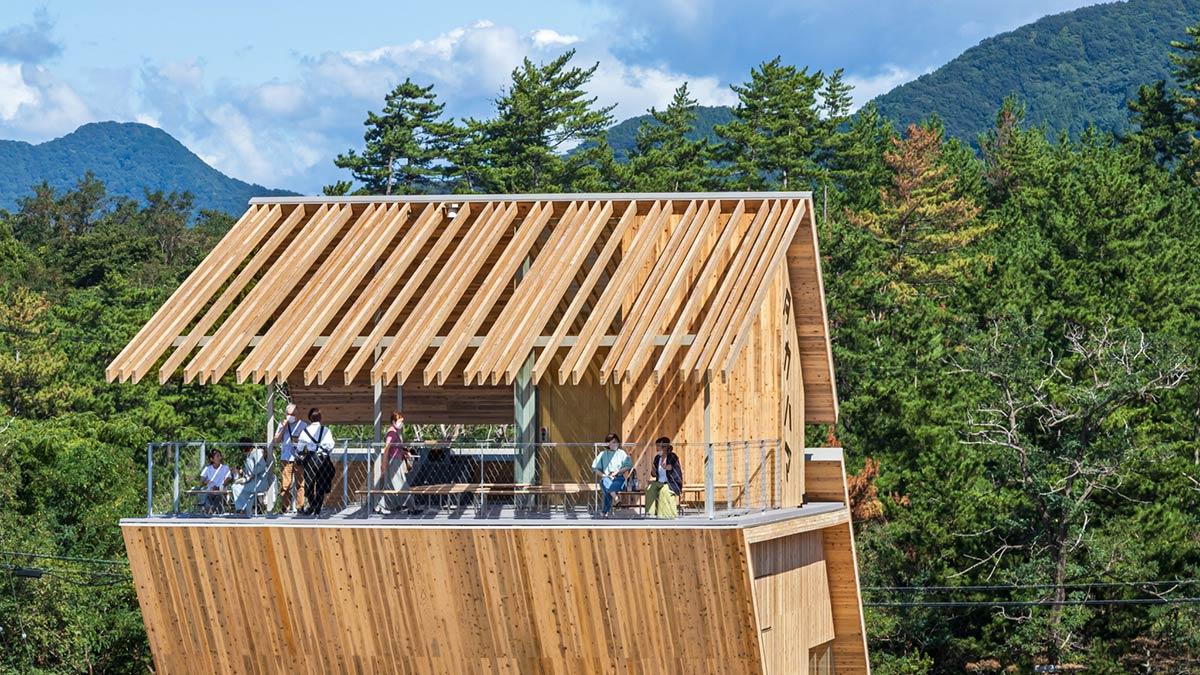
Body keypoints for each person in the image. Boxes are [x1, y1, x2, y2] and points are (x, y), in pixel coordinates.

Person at [298, 407, 336, 516]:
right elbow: (331, 445)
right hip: (322, 459)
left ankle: (312, 504)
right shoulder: (326, 430)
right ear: (320, 418)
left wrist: (301, 454)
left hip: (310, 458)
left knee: (309, 484)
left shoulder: (305, 431)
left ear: (309, 418)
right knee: (321, 483)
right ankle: (318, 508)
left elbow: (300, 448)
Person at [273, 404, 306, 513]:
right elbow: (276, 440)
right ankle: (284, 507)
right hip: (286, 458)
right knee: (285, 484)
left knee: (300, 483)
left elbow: (307, 442)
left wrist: (298, 440)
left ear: (297, 414)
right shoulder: (282, 424)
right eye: (289, 414)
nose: (291, 416)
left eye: (293, 414)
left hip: (298, 457)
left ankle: (300, 506)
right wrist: (284, 427)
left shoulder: (303, 425)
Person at [231, 436, 277, 514]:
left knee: (236, 488)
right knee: (236, 485)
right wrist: (242, 476)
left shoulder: (257, 452)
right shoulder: (249, 455)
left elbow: (261, 466)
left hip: (260, 481)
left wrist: (252, 474)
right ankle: (245, 510)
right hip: (253, 481)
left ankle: (241, 509)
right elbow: (248, 472)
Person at [591, 433, 632, 517]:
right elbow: (594, 467)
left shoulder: (621, 453)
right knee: (605, 481)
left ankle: (605, 512)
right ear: (608, 443)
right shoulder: (603, 454)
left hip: (619, 477)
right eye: (613, 442)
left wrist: (617, 472)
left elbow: (628, 466)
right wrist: (604, 475)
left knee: (608, 491)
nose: (615, 444)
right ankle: (616, 499)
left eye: (616, 442)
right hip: (607, 477)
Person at [377, 411, 410, 514]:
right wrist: (384, 462)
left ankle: (390, 506)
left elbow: (395, 447)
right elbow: (387, 447)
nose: (401, 424)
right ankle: (408, 505)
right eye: (400, 421)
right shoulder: (391, 432)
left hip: (397, 459)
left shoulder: (395, 432)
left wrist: (404, 451)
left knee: (392, 484)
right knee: (401, 483)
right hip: (393, 461)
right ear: (393, 421)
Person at [645, 436, 683, 519]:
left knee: (664, 491)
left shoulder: (672, 456)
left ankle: (665, 515)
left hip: (671, 482)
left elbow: (671, 467)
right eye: (657, 446)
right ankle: (650, 514)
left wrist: (666, 467)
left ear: (665, 447)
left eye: (659, 446)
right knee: (649, 489)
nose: (657, 448)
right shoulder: (657, 458)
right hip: (659, 482)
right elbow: (654, 474)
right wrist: (653, 471)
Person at [197, 448, 232, 514]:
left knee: (219, 496)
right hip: (210, 491)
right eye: (217, 456)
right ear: (212, 459)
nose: (220, 458)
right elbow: (202, 481)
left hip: (221, 491)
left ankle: (212, 510)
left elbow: (228, 479)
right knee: (208, 496)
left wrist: (220, 487)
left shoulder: (225, 467)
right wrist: (206, 482)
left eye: (220, 456)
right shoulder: (207, 468)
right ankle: (210, 510)